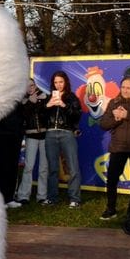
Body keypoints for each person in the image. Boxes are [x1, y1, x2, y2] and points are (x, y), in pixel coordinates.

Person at [97, 76, 130, 220]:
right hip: (118, 147)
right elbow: (103, 124)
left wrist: (127, 115)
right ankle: (111, 209)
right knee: (112, 179)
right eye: (123, 87)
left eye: (128, 87)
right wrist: (116, 119)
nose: (125, 90)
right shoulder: (114, 102)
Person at [43, 70, 82, 207]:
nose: (58, 85)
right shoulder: (49, 98)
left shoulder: (71, 98)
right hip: (50, 134)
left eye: (61, 82)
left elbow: (77, 116)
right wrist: (47, 106)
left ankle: (74, 199)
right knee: (53, 168)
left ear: (65, 82)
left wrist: (64, 105)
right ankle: (52, 198)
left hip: (67, 133)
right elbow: (41, 118)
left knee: (72, 167)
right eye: (55, 82)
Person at [0, 92, 25, 209]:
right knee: (1, 166)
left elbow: (22, 114)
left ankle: (9, 198)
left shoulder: (18, 95)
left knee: (12, 165)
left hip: (15, 134)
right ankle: (0, 199)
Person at [18, 78, 48, 204]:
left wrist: (38, 102)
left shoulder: (44, 96)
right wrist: (30, 103)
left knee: (44, 167)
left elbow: (46, 115)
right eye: (27, 86)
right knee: (28, 167)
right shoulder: (23, 100)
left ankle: (42, 196)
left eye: (32, 85)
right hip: (31, 137)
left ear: (36, 85)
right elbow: (23, 116)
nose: (30, 88)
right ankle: (23, 195)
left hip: (45, 135)